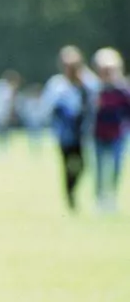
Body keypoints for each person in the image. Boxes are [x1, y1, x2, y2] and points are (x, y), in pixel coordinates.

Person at [40, 45, 99, 211]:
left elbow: (95, 102)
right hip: (64, 134)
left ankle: (72, 190)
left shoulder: (88, 82)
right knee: (66, 165)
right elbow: (48, 107)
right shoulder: (57, 85)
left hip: (82, 133)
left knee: (82, 165)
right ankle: (69, 196)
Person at [90, 48, 130, 213]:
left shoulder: (122, 90)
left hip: (117, 135)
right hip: (98, 135)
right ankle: (99, 199)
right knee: (99, 169)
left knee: (115, 168)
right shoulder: (95, 89)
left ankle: (111, 197)